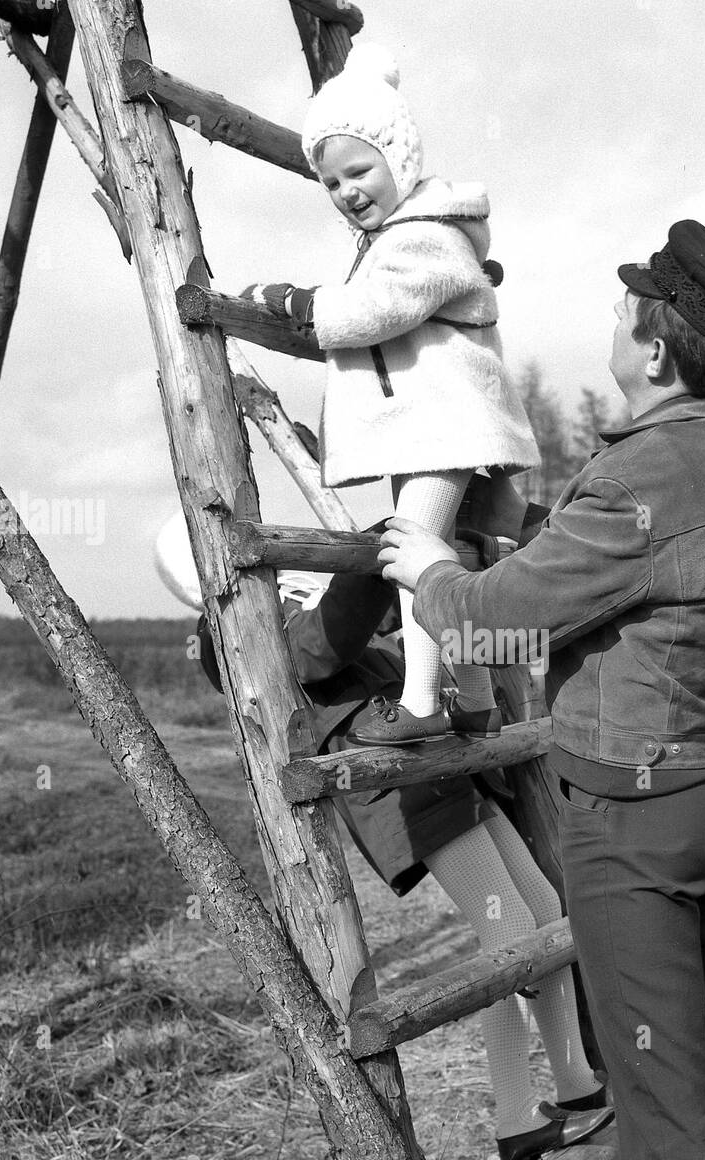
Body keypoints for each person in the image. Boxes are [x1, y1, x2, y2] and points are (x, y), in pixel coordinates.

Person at [378, 220, 705, 1160]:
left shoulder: (644, 477)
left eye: (627, 311)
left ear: (655, 352)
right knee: (648, 1062)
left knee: (668, 1124)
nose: (613, 322)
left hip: (639, 829)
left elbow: (490, 623)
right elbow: (645, 593)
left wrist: (431, 568)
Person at [194, 556, 612, 1160]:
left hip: (443, 768)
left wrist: (421, 562)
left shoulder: (289, 594)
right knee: (506, 932)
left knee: (546, 912)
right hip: (400, 789)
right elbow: (323, 645)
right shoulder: (227, 629)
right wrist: (369, 561)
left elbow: (389, 616)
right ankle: (518, 1121)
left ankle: (576, 1083)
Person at [240, 42, 539, 746]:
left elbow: (373, 311)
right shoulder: (400, 236)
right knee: (442, 559)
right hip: (432, 427)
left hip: (447, 427)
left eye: (359, 170)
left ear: (399, 160)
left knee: (415, 554)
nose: (348, 190)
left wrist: (296, 302)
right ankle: (473, 701)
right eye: (331, 182)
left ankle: (422, 702)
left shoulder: (428, 237)